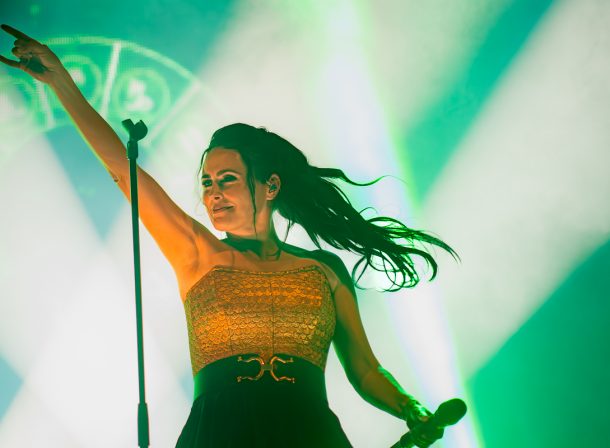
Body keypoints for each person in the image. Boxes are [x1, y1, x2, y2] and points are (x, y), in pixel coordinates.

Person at [1, 24, 458, 447]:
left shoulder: (325, 271)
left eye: (227, 180)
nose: (213, 193)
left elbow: (365, 369)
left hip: (310, 434)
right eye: (206, 182)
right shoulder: (198, 253)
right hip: (219, 433)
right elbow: (122, 168)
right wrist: (61, 82)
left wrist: (409, 407)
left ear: (270, 186)